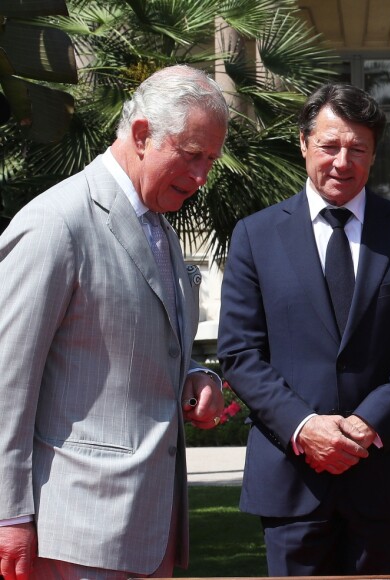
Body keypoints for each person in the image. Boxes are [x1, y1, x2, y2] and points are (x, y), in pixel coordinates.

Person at [217, 82, 390, 576]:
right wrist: (306, 428)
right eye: (329, 146)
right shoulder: (255, 235)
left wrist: (368, 425)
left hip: (384, 477)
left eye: (357, 149)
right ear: (304, 144)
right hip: (292, 479)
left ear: (374, 154)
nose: (342, 162)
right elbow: (240, 351)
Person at [0, 65, 228, 580]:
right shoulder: (56, 222)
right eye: (192, 156)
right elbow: (6, 382)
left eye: (210, 160)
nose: (200, 177)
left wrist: (197, 377)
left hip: (150, 534)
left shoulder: (161, 231)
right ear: (142, 134)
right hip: (74, 536)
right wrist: (9, 514)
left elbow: (157, 346)